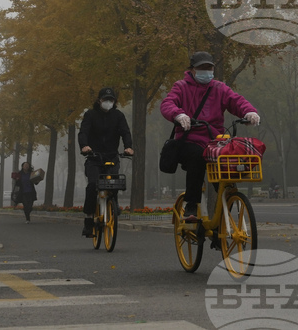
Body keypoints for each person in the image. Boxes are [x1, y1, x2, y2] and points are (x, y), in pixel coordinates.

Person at [160, 51, 261, 221]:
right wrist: (179, 115)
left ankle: (225, 207)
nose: (206, 71)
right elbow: (167, 104)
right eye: (201, 68)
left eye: (209, 67)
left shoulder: (219, 88)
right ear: (192, 70)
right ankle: (191, 205)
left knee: (230, 161)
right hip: (189, 139)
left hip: (215, 141)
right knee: (197, 158)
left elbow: (236, 100)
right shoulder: (181, 87)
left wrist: (249, 111)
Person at [78, 87, 135, 238]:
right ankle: (89, 220)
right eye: (105, 100)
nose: (108, 102)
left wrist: (128, 147)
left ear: (114, 102)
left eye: (111, 100)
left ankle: (113, 203)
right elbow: (83, 131)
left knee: (114, 182)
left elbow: (125, 132)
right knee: (92, 185)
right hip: (94, 157)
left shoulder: (118, 116)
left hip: (111, 156)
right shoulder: (90, 115)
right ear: (99, 100)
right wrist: (84, 146)